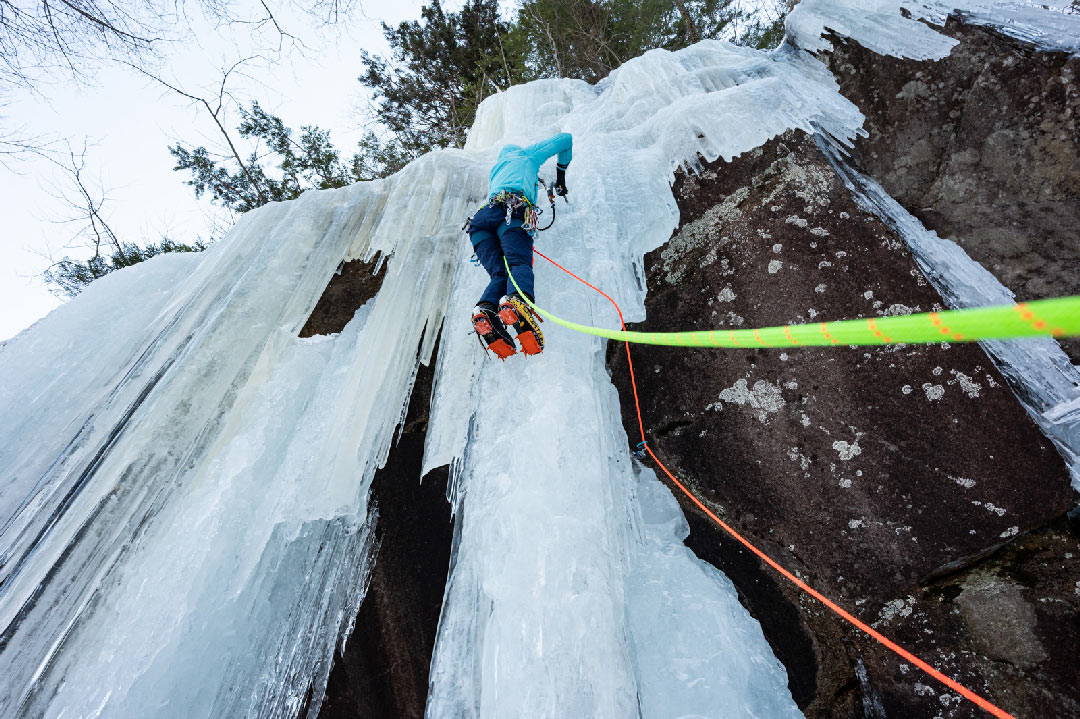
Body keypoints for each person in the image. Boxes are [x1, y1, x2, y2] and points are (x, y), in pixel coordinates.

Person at [468, 132, 571, 359]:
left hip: (479, 224)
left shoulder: (497, 170)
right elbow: (566, 139)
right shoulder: (526, 156)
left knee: (500, 275)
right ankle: (516, 303)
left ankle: (485, 311)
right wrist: (561, 176)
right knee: (518, 263)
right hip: (512, 213)